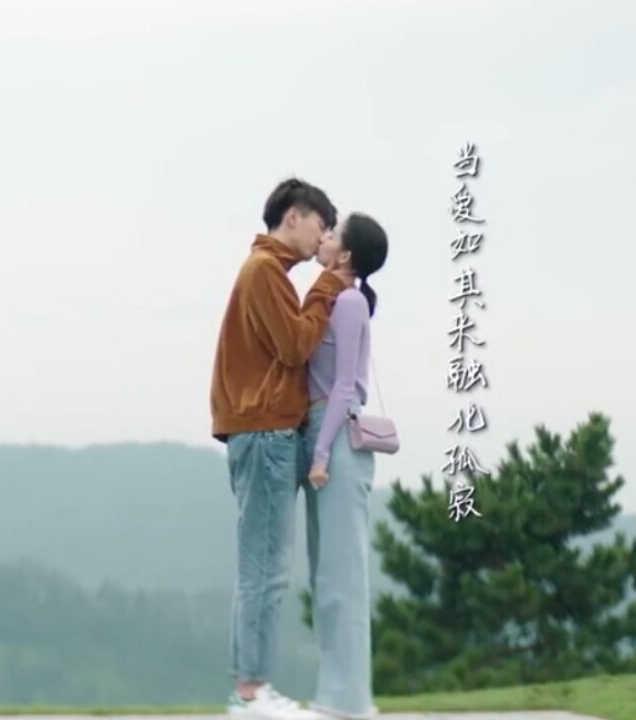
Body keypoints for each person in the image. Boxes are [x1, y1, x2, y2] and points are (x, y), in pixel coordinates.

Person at [210, 177, 350, 720]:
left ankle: (250, 690)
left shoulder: (267, 271)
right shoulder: (265, 271)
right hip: (265, 432)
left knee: (262, 566)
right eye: (320, 224)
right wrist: (328, 286)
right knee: (265, 567)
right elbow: (296, 346)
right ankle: (251, 693)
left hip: (265, 433)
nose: (323, 237)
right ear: (293, 216)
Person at [302, 213, 389, 720]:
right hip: (324, 435)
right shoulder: (332, 298)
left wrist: (319, 454)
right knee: (327, 575)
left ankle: (351, 702)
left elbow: (342, 387)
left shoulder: (350, 302)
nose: (324, 237)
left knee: (344, 578)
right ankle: (335, 696)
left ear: (347, 255)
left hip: (337, 441)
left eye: (333, 235)